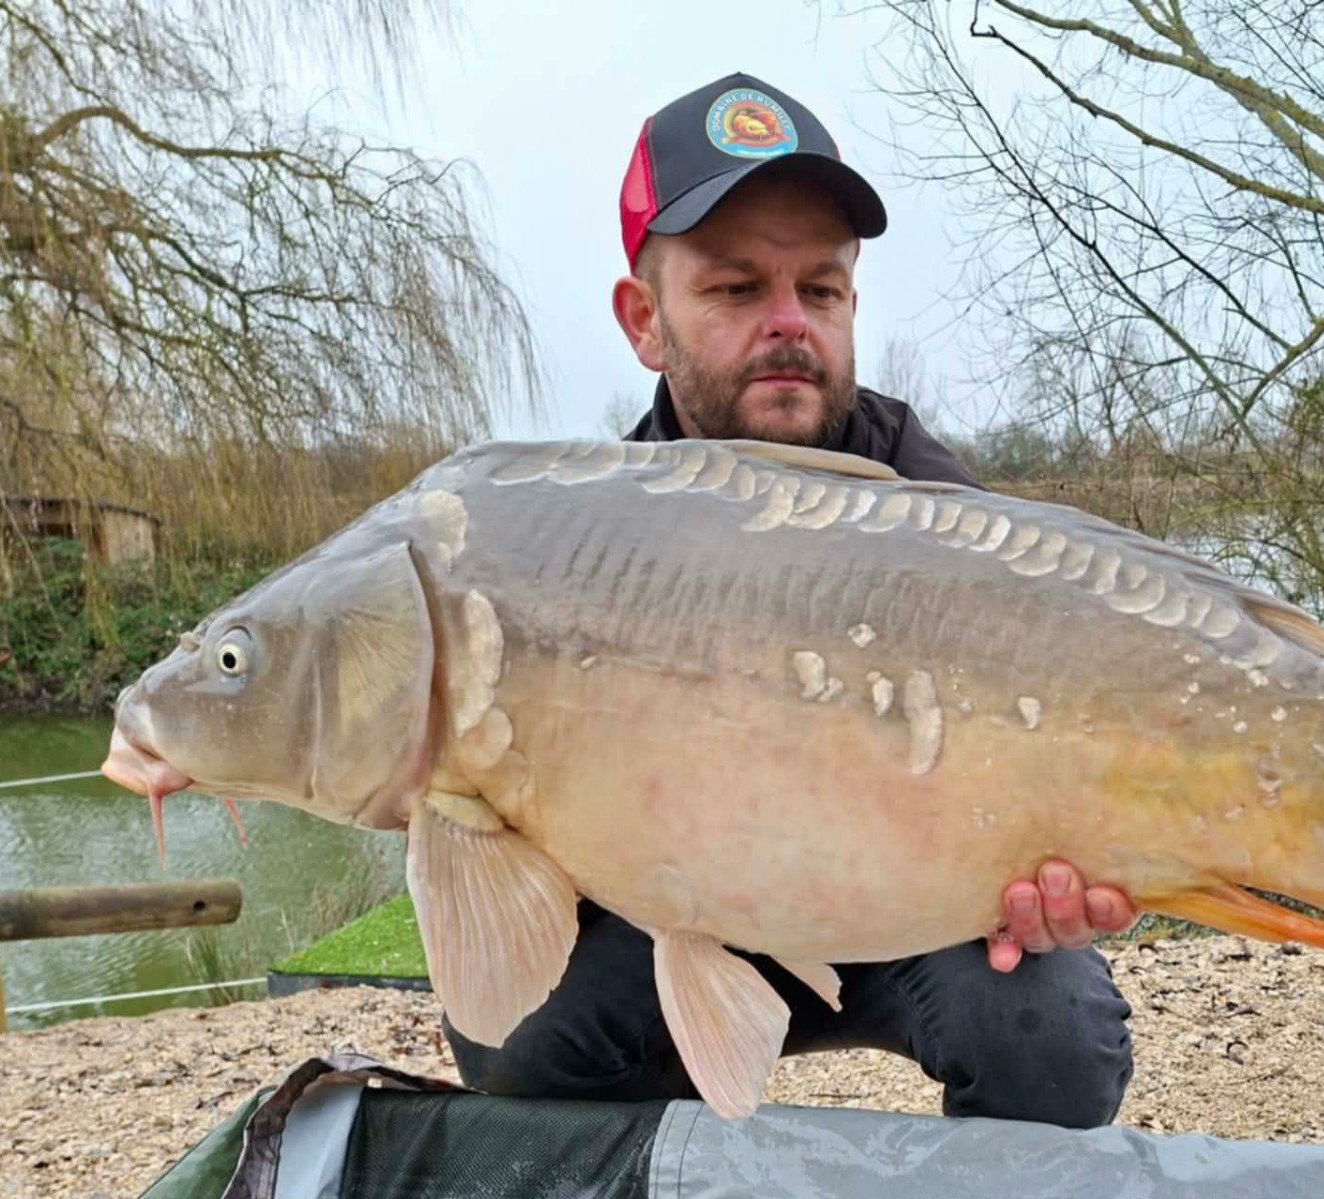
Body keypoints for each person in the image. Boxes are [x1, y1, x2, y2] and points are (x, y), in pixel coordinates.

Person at [442, 73, 1139, 1130]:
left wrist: (1060, 862)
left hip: (899, 907)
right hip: (666, 907)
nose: (787, 324)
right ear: (643, 319)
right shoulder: (576, 541)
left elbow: (1059, 749)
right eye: (734, 289)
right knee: (506, 1034)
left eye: (819, 289)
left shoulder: (943, 516)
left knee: (1055, 1028)